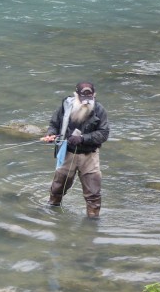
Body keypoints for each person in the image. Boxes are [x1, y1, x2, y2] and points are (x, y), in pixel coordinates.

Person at [40, 81, 110, 218]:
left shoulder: (100, 110)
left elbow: (104, 133)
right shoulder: (66, 106)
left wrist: (83, 138)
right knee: (58, 187)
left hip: (89, 156)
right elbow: (54, 123)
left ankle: (92, 221)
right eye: (83, 99)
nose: (86, 102)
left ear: (94, 95)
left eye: (89, 99)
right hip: (67, 153)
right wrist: (51, 134)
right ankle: (52, 210)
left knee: (93, 194)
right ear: (76, 95)